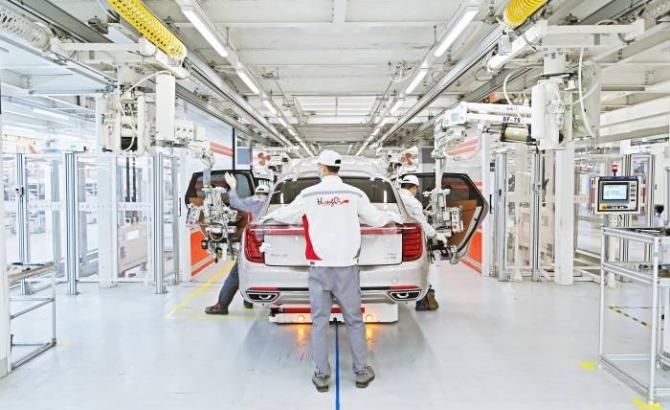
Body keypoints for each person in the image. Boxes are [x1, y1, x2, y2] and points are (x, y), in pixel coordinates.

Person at [259, 150, 403, 392]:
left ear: (322, 168)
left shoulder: (309, 194)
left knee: (319, 323)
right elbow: (377, 220)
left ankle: (322, 376)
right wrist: (392, 216)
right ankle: (361, 373)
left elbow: (286, 215)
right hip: (347, 268)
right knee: (354, 321)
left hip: (319, 269)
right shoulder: (354, 194)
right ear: (338, 168)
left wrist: (267, 217)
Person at [205, 175, 270, 315]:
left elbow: (235, 203)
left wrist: (233, 188)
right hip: (272, 245)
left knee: (237, 274)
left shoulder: (255, 201)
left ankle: (223, 305)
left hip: (254, 245)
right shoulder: (276, 203)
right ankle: (249, 300)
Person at [398, 175, 447, 311]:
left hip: (396, 240)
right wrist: (437, 235)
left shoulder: (396, 197)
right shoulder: (414, 202)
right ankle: (422, 301)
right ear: (414, 187)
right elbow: (423, 225)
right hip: (413, 241)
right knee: (421, 270)